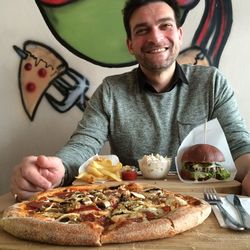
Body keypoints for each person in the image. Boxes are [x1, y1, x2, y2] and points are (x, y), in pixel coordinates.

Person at [11, 0, 250, 200]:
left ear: (178, 34)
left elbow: (239, 143)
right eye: (142, 30)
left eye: (165, 25)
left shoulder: (212, 83)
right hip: (132, 207)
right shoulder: (110, 91)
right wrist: (56, 169)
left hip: (203, 203)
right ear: (130, 45)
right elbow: (84, 144)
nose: (155, 38)